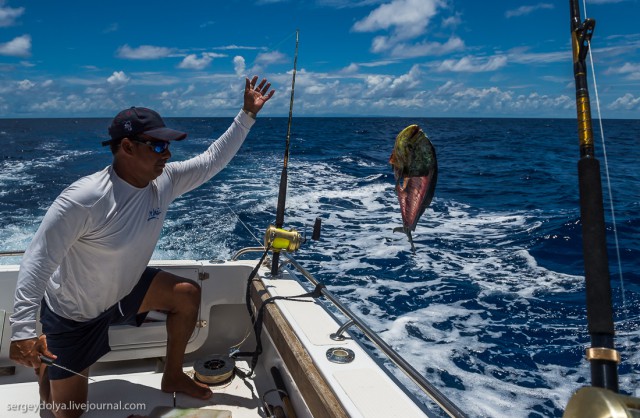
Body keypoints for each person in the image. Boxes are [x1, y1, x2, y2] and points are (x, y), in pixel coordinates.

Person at [9, 75, 275, 417]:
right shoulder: (85, 199)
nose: (168, 154)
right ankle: (47, 368)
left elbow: (211, 161)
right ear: (127, 147)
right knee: (64, 411)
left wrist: (247, 115)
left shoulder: (164, 180)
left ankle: (174, 376)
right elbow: (37, 261)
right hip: (74, 313)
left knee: (186, 293)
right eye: (158, 146)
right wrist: (22, 332)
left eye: (168, 146)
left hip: (124, 290)